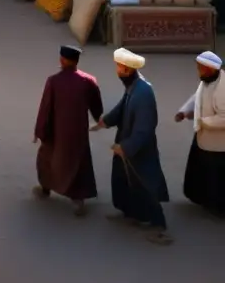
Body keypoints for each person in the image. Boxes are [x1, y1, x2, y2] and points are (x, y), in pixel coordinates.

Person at [91, 48, 171, 244]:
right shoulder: (133, 86)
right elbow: (122, 107)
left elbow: (145, 128)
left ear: (127, 70)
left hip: (139, 150)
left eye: (119, 67)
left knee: (145, 184)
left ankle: (159, 225)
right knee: (123, 181)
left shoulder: (144, 93)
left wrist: (125, 148)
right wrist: (105, 122)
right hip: (126, 142)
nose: (117, 70)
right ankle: (130, 213)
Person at [33, 46, 104, 216]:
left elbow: (46, 108)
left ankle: (46, 188)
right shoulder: (89, 81)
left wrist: (40, 131)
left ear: (62, 60)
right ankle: (78, 199)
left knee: (47, 159)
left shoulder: (53, 81)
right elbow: (97, 107)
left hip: (56, 131)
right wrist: (100, 121)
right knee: (78, 164)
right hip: (78, 132)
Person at [176, 50, 225, 215]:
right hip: (203, 137)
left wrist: (203, 121)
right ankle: (203, 199)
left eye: (201, 68)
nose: (198, 71)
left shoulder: (222, 87)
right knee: (201, 170)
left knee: (217, 176)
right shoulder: (207, 81)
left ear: (211, 69)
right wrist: (183, 112)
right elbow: (196, 98)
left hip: (219, 144)